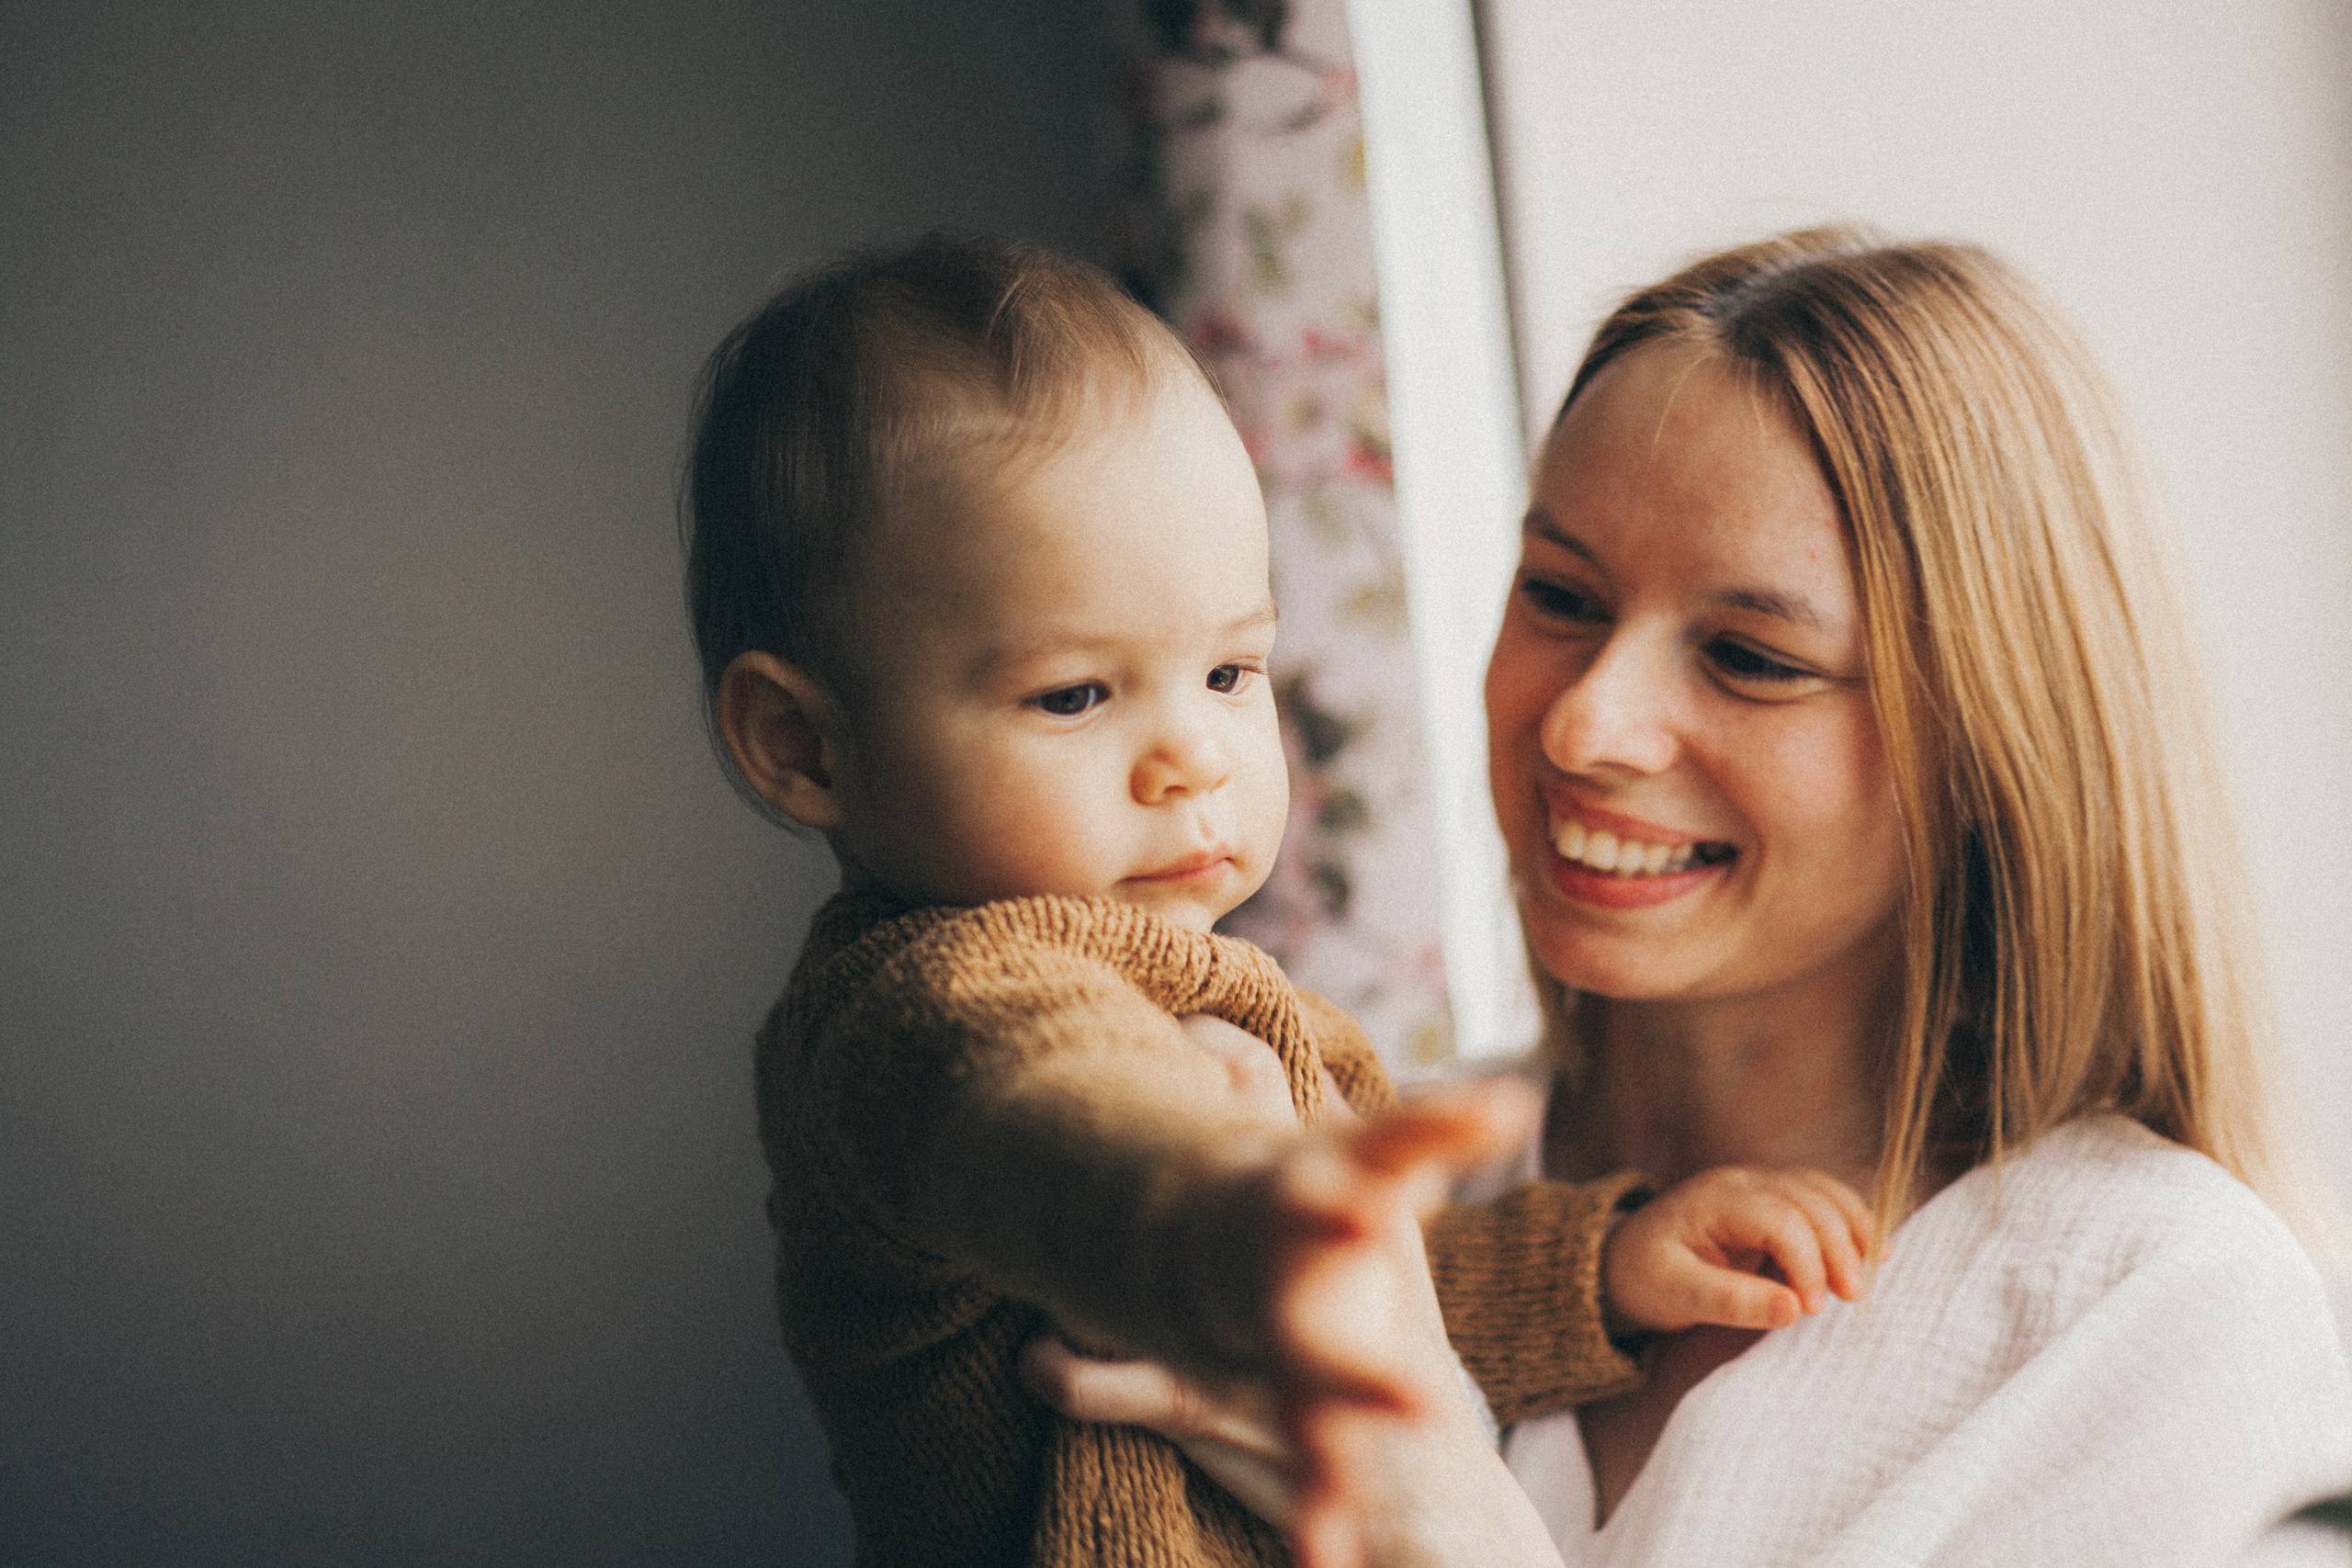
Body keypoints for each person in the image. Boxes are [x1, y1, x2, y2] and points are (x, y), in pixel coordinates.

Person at [1029, 227, 2352, 1564]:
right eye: (1560, 595)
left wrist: (1431, 1514)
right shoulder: (1370, 1191)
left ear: (1993, 744)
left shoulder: (2162, 1309)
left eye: (1747, 656)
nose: (1586, 726)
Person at [680, 234, 1878, 1568]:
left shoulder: (1257, 1016)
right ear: (804, 747)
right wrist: (1213, 1208)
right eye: (1076, 693)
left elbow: (1388, 1304)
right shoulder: (914, 1008)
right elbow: (1045, 1123)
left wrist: (1600, 1271)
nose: (1190, 754)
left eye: (1231, 674)